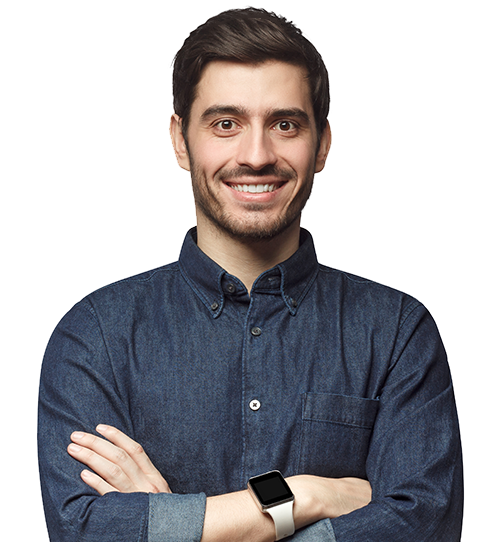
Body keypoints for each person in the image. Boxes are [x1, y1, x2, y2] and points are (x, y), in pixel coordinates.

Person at [37, 6, 463, 541]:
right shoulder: (96, 336)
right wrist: (307, 497)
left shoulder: (398, 332)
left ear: (323, 143)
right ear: (179, 140)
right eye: (225, 124)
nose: (256, 155)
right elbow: (85, 532)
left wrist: (174, 523)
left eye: (285, 124)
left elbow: (424, 527)